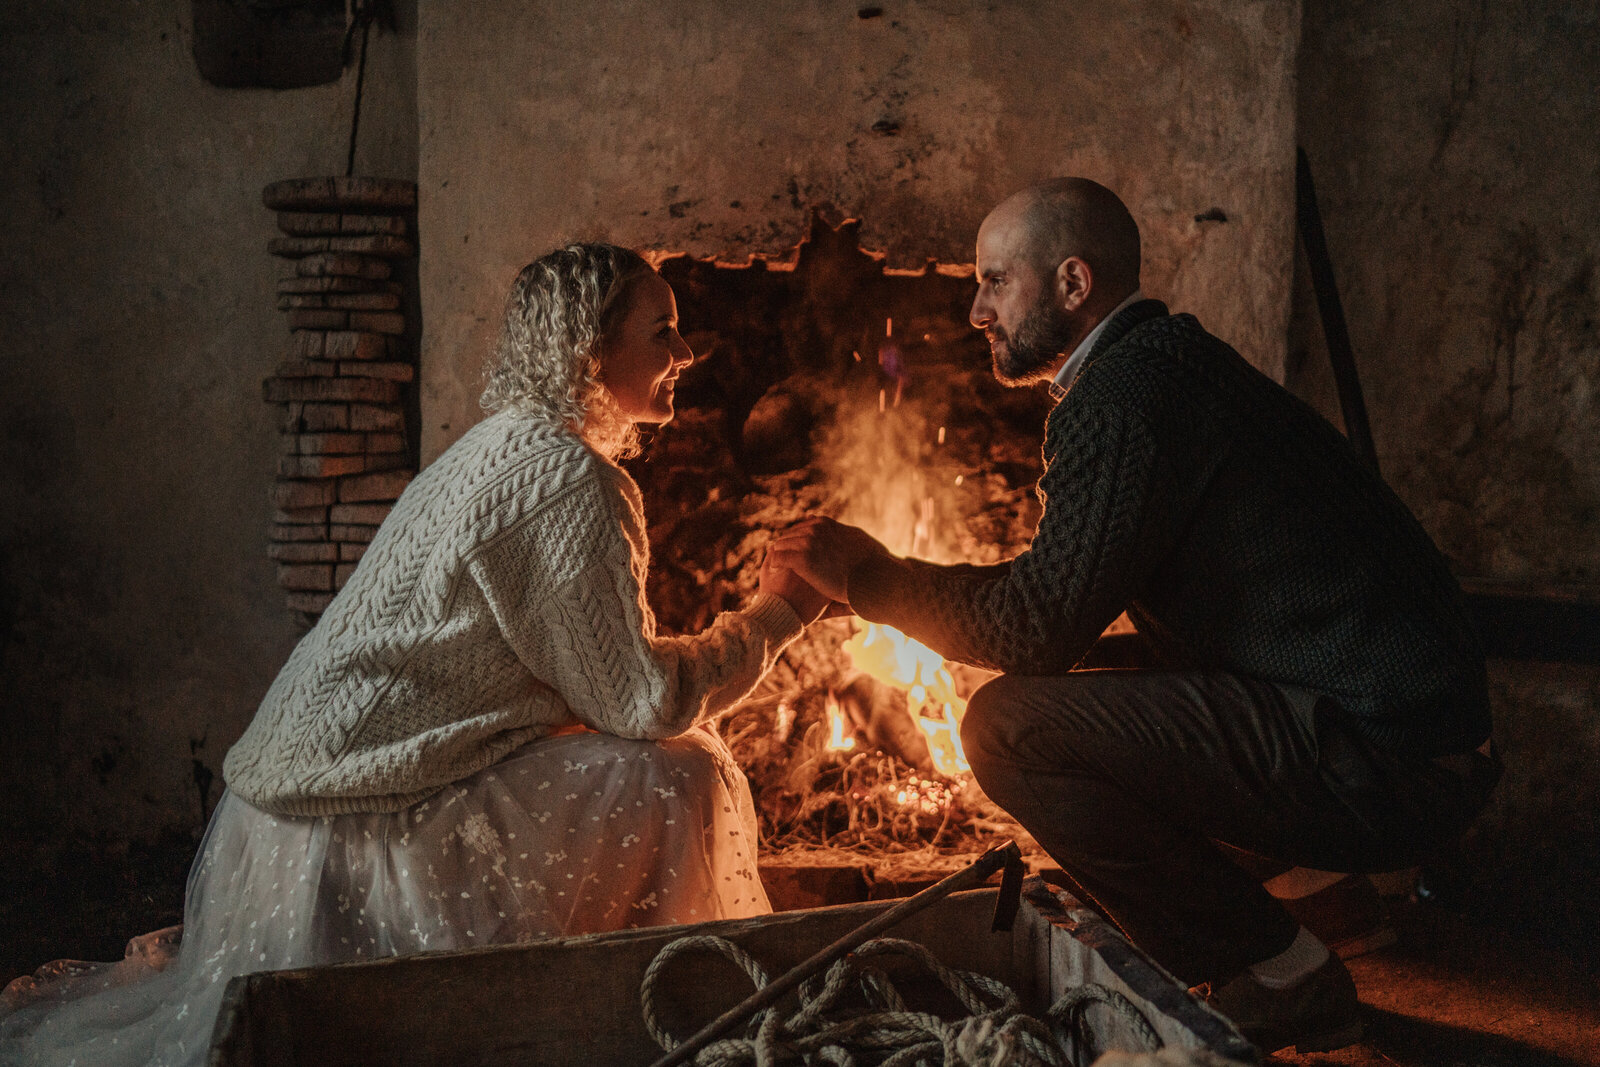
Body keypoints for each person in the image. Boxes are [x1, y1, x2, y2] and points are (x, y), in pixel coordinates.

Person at [1, 243, 829, 1066]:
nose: (685, 352)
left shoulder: (502, 445)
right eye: (664, 332)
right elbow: (641, 703)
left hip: (282, 820)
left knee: (640, 749)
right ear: (591, 349)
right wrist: (782, 611)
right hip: (354, 822)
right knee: (677, 767)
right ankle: (655, 1009)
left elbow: (583, 679)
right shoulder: (570, 480)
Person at [770, 179, 1500, 1055]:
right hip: (1396, 733)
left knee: (1008, 727)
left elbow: (1036, 625)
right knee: (1076, 683)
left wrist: (869, 578)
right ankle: (1307, 895)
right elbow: (1062, 622)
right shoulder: (1162, 365)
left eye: (997, 281)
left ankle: (1279, 972)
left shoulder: (1128, 395)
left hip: (1390, 760)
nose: (975, 309)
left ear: (1075, 284)